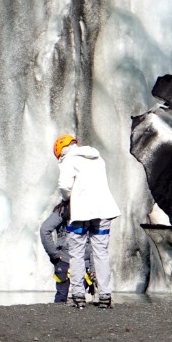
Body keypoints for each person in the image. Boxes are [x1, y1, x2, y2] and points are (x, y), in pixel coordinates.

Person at [54, 132, 120, 309]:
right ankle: (105, 295)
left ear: (62, 151)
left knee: (76, 252)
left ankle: (77, 295)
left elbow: (64, 186)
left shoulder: (69, 160)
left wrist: (67, 199)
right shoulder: (97, 157)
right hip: (103, 211)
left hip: (81, 212)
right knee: (101, 252)